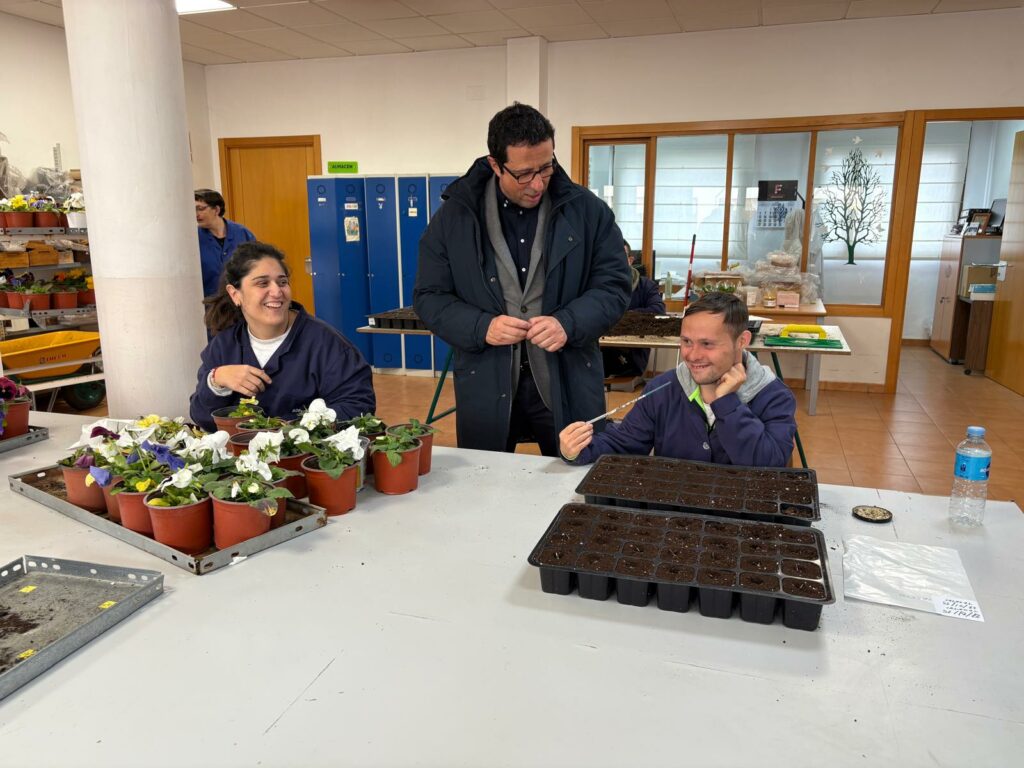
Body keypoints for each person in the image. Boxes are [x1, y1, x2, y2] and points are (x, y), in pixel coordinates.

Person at [414, 102, 631, 456]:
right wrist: (481, 326)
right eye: (524, 173)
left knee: (575, 484)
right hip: (487, 381)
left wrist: (569, 323)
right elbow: (429, 296)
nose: (537, 184)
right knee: (484, 486)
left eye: (546, 168)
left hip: (569, 380)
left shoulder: (587, 211)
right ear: (495, 165)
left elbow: (614, 286)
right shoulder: (455, 218)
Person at [560, 292, 796, 467]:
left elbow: (770, 467)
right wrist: (578, 449)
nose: (692, 355)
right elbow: (624, 443)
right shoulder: (663, 388)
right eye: (686, 342)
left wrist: (727, 404)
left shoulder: (773, 396)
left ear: (742, 341)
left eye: (707, 344)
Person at [189, 241, 375, 433]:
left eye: (282, 282)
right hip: (240, 459)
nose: (277, 292)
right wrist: (216, 381)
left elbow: (359, 406)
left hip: (306, 458)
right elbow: (202, 417)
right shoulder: (223, 346)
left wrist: (295, 428)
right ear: (235, 294)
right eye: (262, 283)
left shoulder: (327, 345)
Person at [602, 239, 666, 377]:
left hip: (632, 353)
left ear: (630, 260)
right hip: (601, 349)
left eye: (621, 256)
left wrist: (624, 316)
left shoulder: (645, 286)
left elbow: (659, 310)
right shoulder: (598, 285)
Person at [195, 188, 256, 298]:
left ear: (216, 210)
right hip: (209, 303)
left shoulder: (243, 233)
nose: (196, 214)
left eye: (200, 209)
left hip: (241, 299)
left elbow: (257, 265)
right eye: (193, 210)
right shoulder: (193, 238)